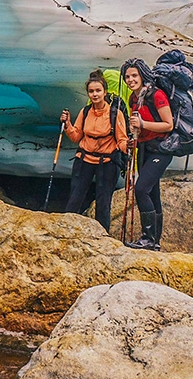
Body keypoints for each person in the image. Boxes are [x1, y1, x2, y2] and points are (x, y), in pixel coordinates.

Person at [60, 71, 129, 231]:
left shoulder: (115, 114)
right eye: (91, 91)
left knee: (103, 202)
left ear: (105, 92)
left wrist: (129, 146)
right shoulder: (85, 112)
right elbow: (76, 136)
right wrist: (68, 125)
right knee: (75, 198)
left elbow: (121, 141)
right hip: (84, 160)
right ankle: (66, 230)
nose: (95, 94)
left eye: (98, 91)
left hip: (107, 162)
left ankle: (102, 235)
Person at [122, 58, 174, 250]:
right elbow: (137, 126)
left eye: (134, 75)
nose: (130, 80)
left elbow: (169, 124)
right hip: (143, 148)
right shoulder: (133, 98)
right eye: (127, 76)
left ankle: (148, 238)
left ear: (142, 75)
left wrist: (143, 125)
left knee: (141, 189)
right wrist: (132, 136)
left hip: (161, 147)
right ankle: (154, 242)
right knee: (153, 193)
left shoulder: (157, 95)